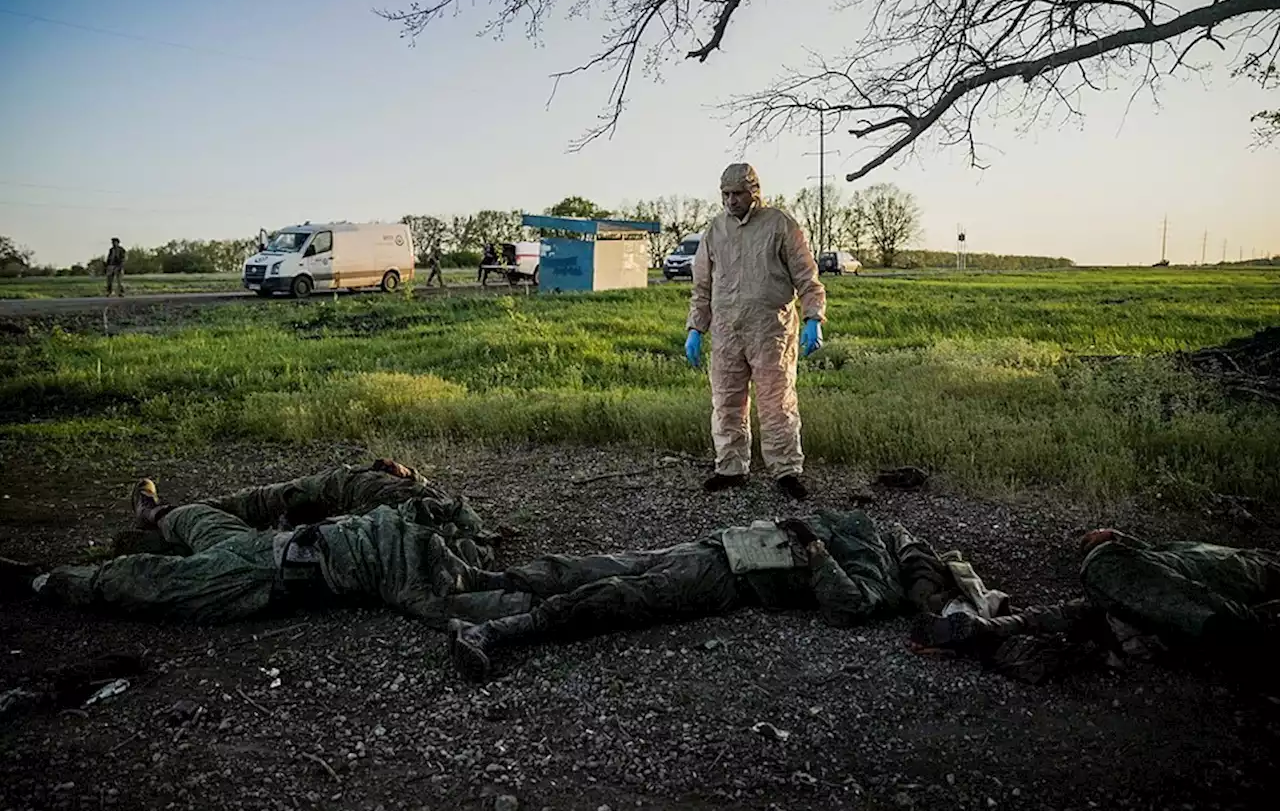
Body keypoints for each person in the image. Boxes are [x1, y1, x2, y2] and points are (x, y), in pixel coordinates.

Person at [444, 510, 1009, 681]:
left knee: (616, 594)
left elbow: (846, 607)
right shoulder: (870, 532)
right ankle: (489, 587)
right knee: (601, 568)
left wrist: (814, 550)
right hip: (724, 547)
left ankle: (492, 628)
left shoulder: (880, 580)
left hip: (733, 575)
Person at [4, 459, 525, 627]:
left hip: (269, 570)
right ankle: (156, 514)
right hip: (272, 547)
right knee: (197, 523)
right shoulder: (399, 503)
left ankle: (38, 579)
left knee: (149, 582)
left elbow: (459, 602)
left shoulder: (423, 563)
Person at [910, 529, 1280, 685]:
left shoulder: (1258, 563)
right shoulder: (1153, 554)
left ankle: (1244, 635)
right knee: (1082, 609)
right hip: (1148, 605)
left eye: (1093, 534)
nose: (1092, 532)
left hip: (1182, 612)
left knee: (1092, 601)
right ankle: (986, 629)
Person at [685, 163, 827, 500]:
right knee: (727, 401)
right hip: (726, 332)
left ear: (754, 193)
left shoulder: (779, 225)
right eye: (725, 194)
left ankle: (786, 470)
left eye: (737, 194)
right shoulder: (715, 230)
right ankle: (731, 467)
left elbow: (807, 276)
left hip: (770, 331)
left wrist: (813, 318)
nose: (731, 201)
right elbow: (702, 285)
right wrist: (695, 327)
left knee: (776, 403)